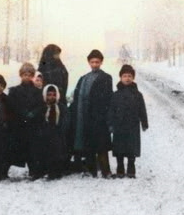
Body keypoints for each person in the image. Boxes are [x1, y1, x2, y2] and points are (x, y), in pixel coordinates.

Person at [69, 49, 113, 178]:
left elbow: (107, 98)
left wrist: (104, 116)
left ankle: (106, 171)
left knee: (101, 146)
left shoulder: (106, 78)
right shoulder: (83, 78)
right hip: (85, 116)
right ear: (89, 62)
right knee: (88, 145)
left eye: (97, 62)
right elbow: (77, 96)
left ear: (101, 62)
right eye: (92, 62)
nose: (95, 64)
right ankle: (90, 169)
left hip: (99, 117)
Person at [108, 64, 149, 178]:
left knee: (132, 147)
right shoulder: (115, 95)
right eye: (125, 76)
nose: (127, 78)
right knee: (119, 147)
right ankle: (120, 167)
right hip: (119, 125)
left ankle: (131, 168)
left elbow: (142, 110)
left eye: (130, 76)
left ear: (133, 78)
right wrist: (110, 124)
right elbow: (111, 110)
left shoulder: (137, 95)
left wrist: (144, 123)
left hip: (132, 125)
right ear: (120, 77)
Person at [7, 62, 44, 179]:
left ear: (33, 75)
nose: (27, 77)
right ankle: (14, 171)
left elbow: (41, 105)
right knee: (19, 149)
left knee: (33, 149)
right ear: (20, 75)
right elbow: (12, 105)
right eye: (24, 74)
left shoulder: (38, 92)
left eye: (29, 75)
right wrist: (23, 113)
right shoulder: (14, 91)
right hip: (19, 124)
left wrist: (33, 113)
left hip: (33, 124)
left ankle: (34, 171)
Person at [30, 84, 69, 180]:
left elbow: (65, 120)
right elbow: (35, 118)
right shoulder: (42, 107)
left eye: (54, 95)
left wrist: (61, 130)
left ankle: (54, 172)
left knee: (56, 154)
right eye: (49, 95)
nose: (51, 97)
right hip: (43, 134)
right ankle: (40, 172)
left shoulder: (61, 107)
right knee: (42, 154)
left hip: (56, 134)